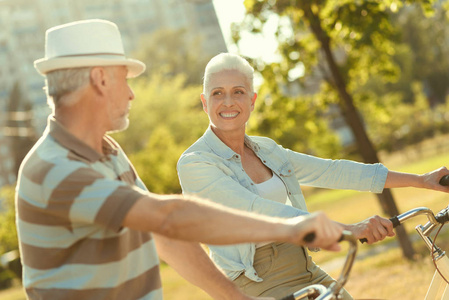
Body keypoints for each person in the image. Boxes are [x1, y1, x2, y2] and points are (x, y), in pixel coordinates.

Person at [15, 20, 345, 300]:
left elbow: (164, 236)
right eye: (124, 79)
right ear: (100, 79)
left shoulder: (107, 151)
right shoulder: (54, 169)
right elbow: (169, 217)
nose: (131, 94)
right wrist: (292, 226)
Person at [177, 52, 449, 299]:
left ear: (252, 100)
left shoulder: (266, 149)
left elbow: (332, 170)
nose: (228, 102)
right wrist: (348, 229)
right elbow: (258, 211)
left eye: (238, 92)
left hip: (303, 263)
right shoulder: (195, 164)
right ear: (204, 102)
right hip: (257, 282)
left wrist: (422, 180)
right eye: (217, 93)